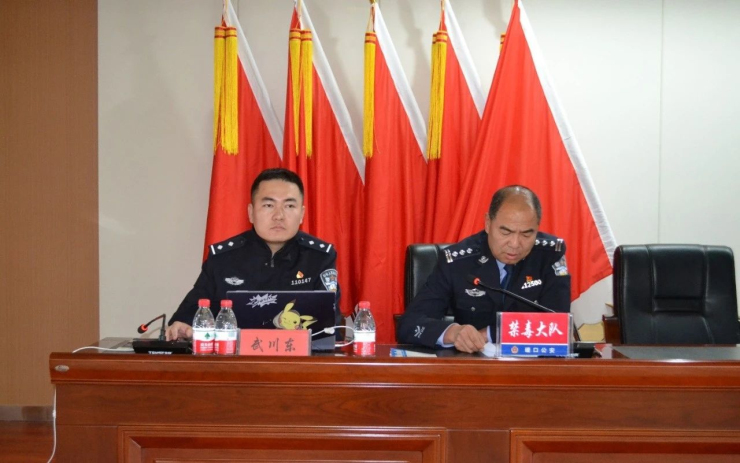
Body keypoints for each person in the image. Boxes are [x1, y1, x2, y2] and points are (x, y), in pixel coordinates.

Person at [166, 168, 339, 341]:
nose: (279, 216)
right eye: (268, 205)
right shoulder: (223, 259)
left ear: (301, 214)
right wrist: (183, 326)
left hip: (299, 357)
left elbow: (330, 328)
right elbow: (189, 314)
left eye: (289, 206)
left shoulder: (319, 258)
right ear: (251, 212)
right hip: (234, 357)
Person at [397, 185, 571, 353]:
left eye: (526, 234)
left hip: (533, 366)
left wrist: (489, 334)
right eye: (506, 232)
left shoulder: (550, 255)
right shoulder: (458, 261)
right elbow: (409, 325)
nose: (515, 244)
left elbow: (559, 324)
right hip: (473, 366)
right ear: (488, 223)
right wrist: (453, 333)